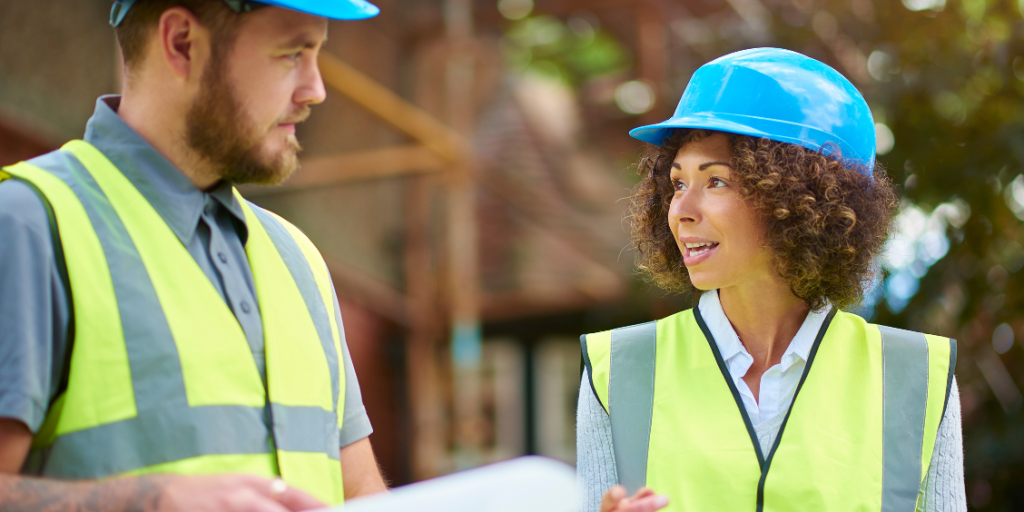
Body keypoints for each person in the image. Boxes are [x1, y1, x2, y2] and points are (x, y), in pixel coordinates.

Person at [0, 0, 389, 510]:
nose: (315, 89)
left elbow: (359, 494)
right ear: (182, 42)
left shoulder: (298, 260)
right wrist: (151, 500)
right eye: (291, 54)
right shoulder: (29, 226)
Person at [576, 48, 966, 512]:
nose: (680, 210)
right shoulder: (616, 370)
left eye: (715, 181)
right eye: (677, 183)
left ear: (797, 197)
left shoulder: (917, 375)